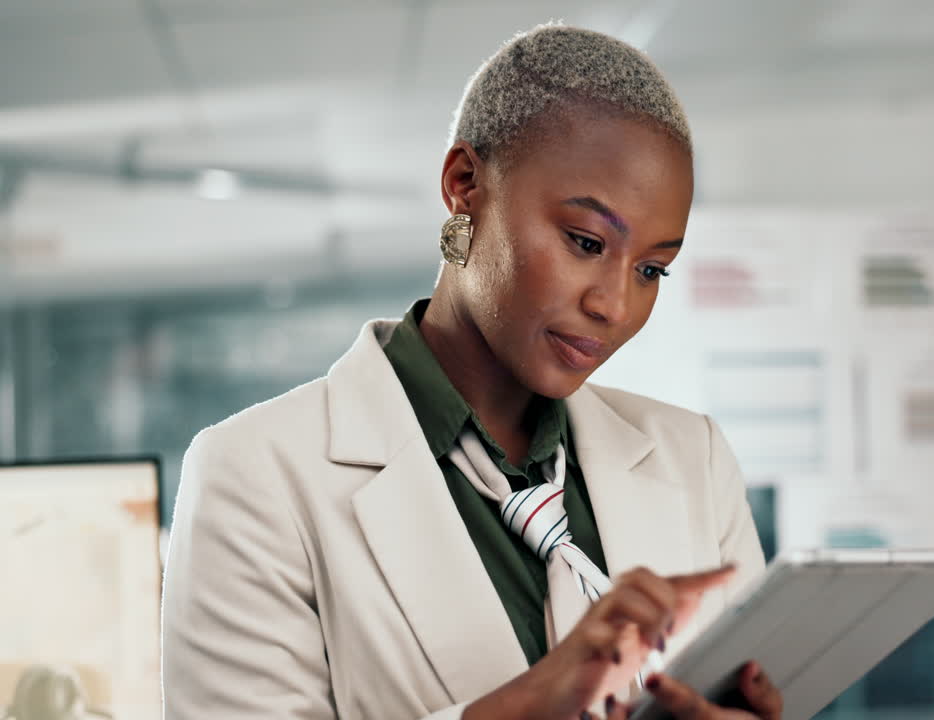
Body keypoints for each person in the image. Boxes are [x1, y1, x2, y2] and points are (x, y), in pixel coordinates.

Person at [161, 23, 781, 720]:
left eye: (650, 269)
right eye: (585, 242)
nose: (614, 304)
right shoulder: (255, 475)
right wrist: (531, 703)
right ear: (465, 185)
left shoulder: (692, 458)